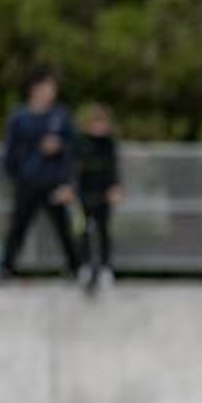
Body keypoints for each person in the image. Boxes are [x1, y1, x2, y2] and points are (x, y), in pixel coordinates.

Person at [0, 67, 81, 279]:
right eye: (46, 88)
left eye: (52, 89)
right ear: (34, 89)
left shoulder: (60, 116)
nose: (50, 93)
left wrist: (60, 149)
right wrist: (15, 175)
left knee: (63, 226)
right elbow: (10, 150)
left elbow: (74, 148)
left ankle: (76, 267)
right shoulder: (19, 118)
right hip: (27, 181)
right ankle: (6, 267)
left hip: (54, 181)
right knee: (18, 225)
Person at [74, 104, 123, 287]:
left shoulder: (109, 143)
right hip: (85, 193)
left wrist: (115, 187)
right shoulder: (80, 142)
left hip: (104, 192)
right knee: (85, 230)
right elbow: (74, 168)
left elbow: (113, 167)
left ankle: (105, 267)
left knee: (103, 230)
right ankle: (84, 265)